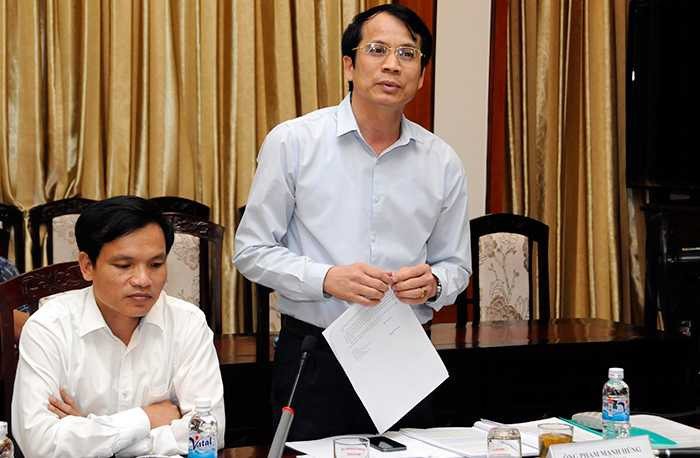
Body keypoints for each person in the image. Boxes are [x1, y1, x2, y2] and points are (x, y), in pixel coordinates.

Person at [234, 4, 470, 440]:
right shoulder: (294, 142)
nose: (391, 65)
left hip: (403, 353)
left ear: (421, 74)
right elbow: (250, 251)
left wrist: (434, 284)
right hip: (315, 352)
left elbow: (456, 265)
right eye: (377, 50)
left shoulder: (442, 161)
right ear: (348, 64)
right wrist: (326, 279)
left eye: (407, 54)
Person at [12, 196, 225, 457]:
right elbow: (39, 445)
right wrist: (146, 418)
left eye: (156, 264)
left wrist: (94, 436)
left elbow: (210, 431)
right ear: (87, 266)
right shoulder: (48, 328)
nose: (143, 280)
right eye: (124, 265)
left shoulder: (188, 322)